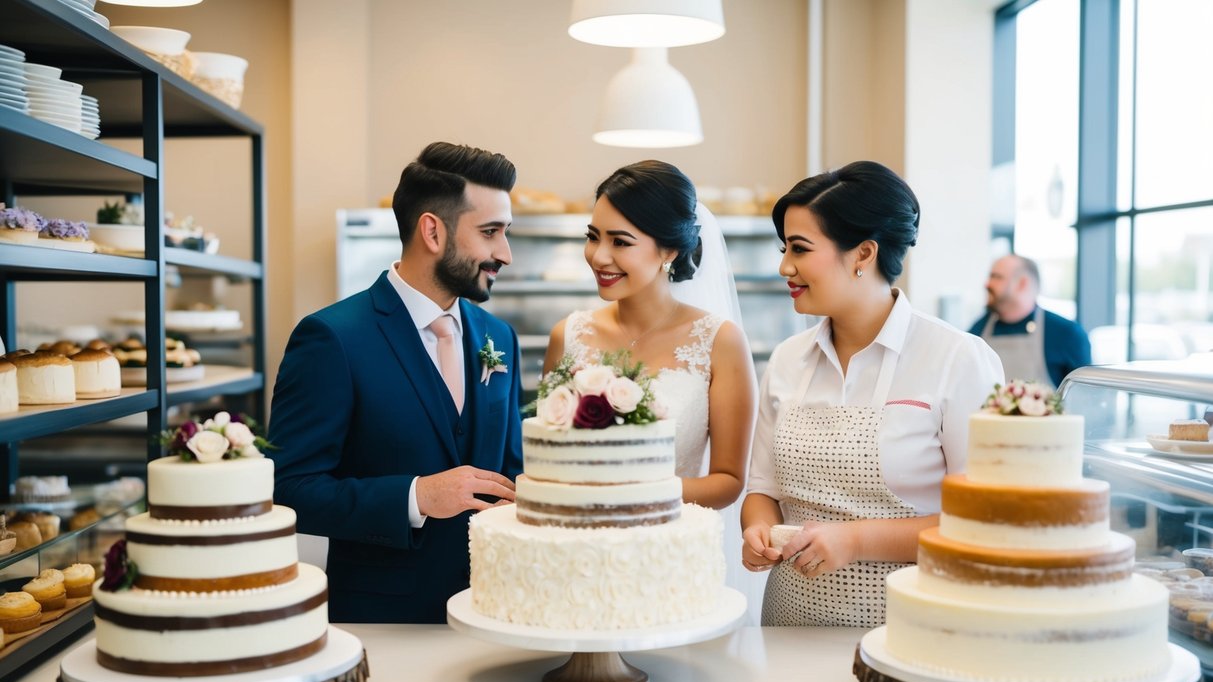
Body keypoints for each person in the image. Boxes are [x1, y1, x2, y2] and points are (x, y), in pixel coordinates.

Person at [268, 141, 523, 624]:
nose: (504, 254)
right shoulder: (333, 338)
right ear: (432, 230)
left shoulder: (499, 337)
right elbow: (288, 486)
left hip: (500, 612)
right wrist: (416, 497)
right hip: (384, 621)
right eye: (490, 232)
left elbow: (511, 470)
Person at [741, 161, 1003, 627]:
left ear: (863, 253)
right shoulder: (786, 359)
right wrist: (756, 528)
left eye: (799, 248)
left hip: (909, 629)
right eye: (785, 248)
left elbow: (984, 521)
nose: (784, 266)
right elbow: (762, 490)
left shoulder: (958, 358)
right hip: (789, 622)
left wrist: (856, 540)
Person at [541, 160, 761, 616]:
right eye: (593, 235)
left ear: (668, 252)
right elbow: (544, 456)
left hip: (666, 560)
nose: (599, 256)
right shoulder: (568, 334)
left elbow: (727, 482)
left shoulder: (718, 341)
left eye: (620, 242)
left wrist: (631, 488)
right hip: (570, 559)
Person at [969, 253, 1091, 388]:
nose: (987, 284)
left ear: (1022, 284)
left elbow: (1086, 398)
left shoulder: (1066, 334)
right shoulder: (977, 331)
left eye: (997, 277)